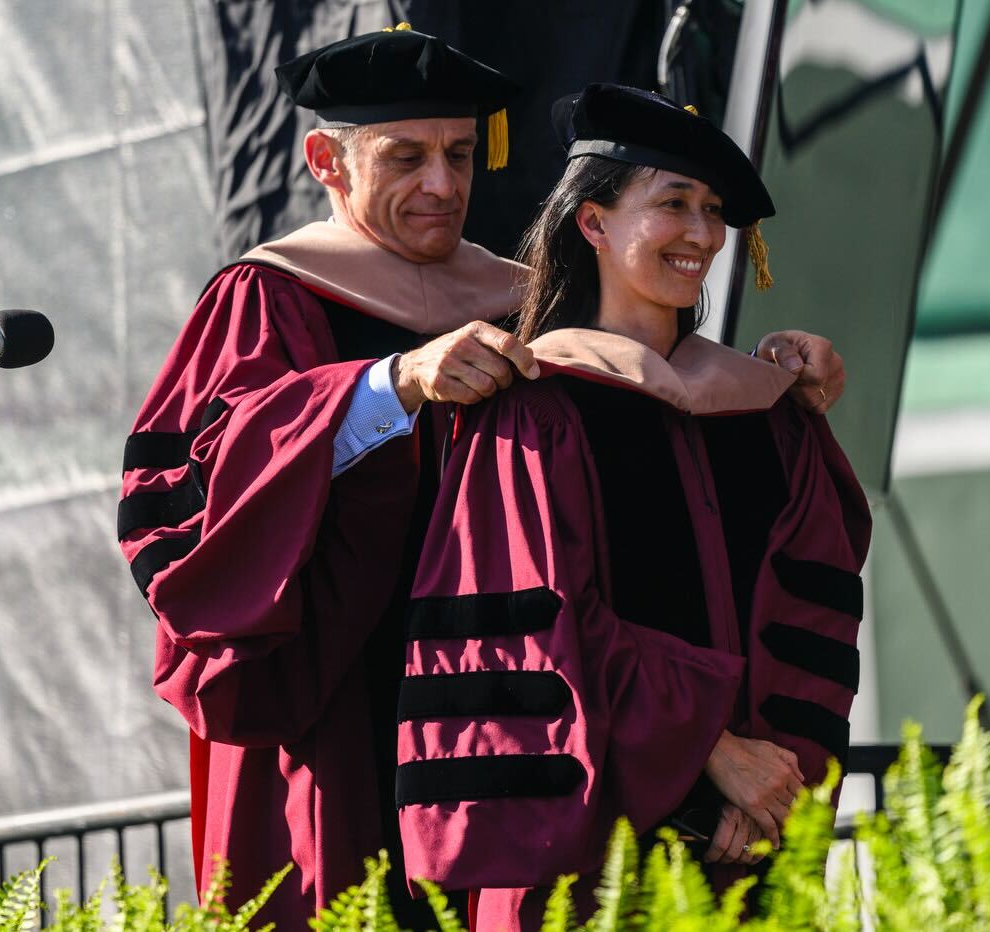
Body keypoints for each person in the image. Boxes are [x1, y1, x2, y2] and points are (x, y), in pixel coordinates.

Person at [119, 25, 848, 925]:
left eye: (461, 154)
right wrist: (390, 385)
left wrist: (772, 364)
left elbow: (654, 427)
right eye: (407, 156)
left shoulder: (522, 301)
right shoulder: (269, 298)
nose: (442, 185)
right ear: (325, 161)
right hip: (345, 716)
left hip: (523, 721)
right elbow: (190, 500)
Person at [396, 84, 871, 932]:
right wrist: (709, 759)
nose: (700, 233)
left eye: (713, 209)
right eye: (673, 204)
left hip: (754, 849)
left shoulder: (768, 414)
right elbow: (536, 634)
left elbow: (815, 622)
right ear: (595, 224)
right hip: (589, 855)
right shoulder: (532, 411)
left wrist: (775, 790)